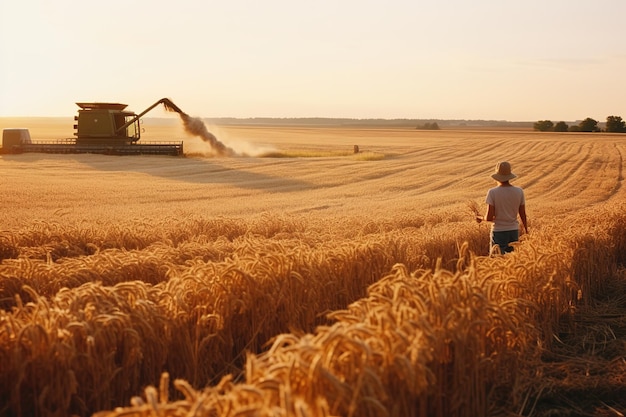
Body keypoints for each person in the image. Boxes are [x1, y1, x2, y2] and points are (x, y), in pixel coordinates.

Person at [476, 161, 528, 255]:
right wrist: (526, 230)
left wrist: (479, 217)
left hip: (498, 232)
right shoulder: (519, 191)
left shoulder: (492, 192)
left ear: (497, 176)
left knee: (497, 260)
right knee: (512, 261)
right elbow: (522, 214)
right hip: (513, 231)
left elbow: (489, 218)